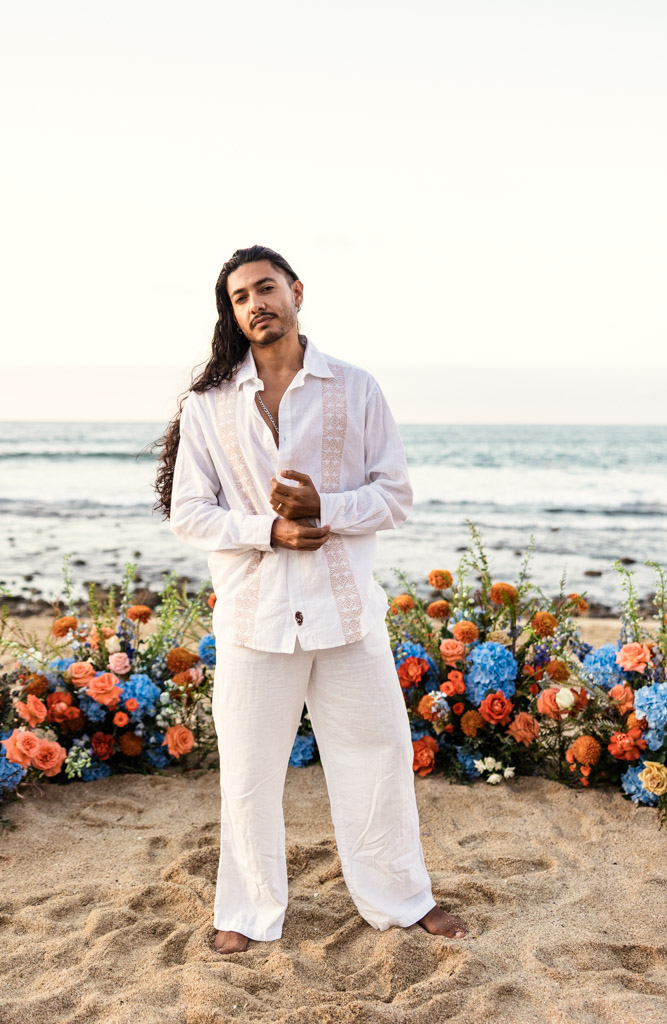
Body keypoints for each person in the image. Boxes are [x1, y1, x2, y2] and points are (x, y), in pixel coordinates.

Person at [154, 244, 469, 954]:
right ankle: (246, 910)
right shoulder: (206, 406)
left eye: (265, 288)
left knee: (377, 755)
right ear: (231, 313)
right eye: (239, 296)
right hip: (252, 617)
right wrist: (269, 530)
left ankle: (399, 898)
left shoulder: (355, 388)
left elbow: (394, 496)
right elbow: (189, 513)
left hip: (345, 612)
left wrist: (324, 506)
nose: (254, 303)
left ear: (296, 292)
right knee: (248, 770)